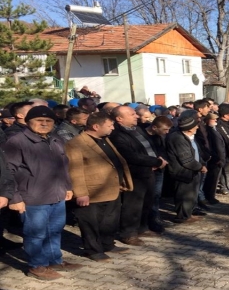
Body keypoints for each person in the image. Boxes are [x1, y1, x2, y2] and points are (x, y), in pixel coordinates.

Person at [2, 106, 83, 280]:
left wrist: (68, 187)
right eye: (39, 120)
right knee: (36, 233)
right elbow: (9, 171)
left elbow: (63, 165)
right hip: (32, 197)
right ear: (28, 121)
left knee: (54, 230)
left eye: (48, 121)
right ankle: (37, 265)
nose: (44, 124)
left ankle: (54, 260)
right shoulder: (17, 141)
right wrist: (14, 197)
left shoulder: (56, 138)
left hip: (57, 194)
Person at [65, 113, 133, 262]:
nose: (113, 128)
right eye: (110, 125)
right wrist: (81, 193)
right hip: (92, 192)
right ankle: (93, 250)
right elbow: (75, 170)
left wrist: (121, 182)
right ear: (96, 126)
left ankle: (107, 244)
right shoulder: (76, 144)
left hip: (111, 188)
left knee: (110, 221)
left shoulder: (104, 139)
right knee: (90, 223)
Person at [109, 106, 167, 246]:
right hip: (134, 174)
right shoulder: (117, 135)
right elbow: (131, 156)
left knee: (147, 202)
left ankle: (142, 227)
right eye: (132, 114)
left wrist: (158, 159)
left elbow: (152, 146)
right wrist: (156, 161)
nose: (136, 116)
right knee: (133, 205)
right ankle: (128, 234)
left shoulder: (138, 129)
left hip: (149, 171)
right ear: (119, 119)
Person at [165, 116, 208, 224]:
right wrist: (200, 167)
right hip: (183, 171)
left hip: (193, 170)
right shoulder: (177, 138)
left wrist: (201, 163)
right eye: (195, 126)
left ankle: (188, 214)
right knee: (184, 195)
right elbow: (186, 159)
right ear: (189, 128)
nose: (197, 127)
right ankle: (182, 216)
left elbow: (197, 152)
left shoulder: (190, 136)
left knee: (192, 194)